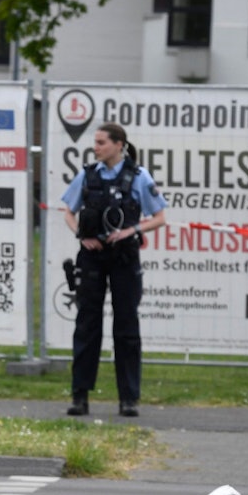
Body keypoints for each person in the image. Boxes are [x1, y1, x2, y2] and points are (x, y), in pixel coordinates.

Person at [61, 122, 167, 417]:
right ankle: (80, 396)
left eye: (101, 142)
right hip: (92, 259)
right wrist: (81, 235)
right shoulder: (87, 175)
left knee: (126, 329)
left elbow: (159, 217)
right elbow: (68, 211)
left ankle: (128, 399)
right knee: (87, 326)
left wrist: (130, 230)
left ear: (119, 144)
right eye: (94, 142)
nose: (96, 147)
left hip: (124, 257)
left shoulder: (138, 176)